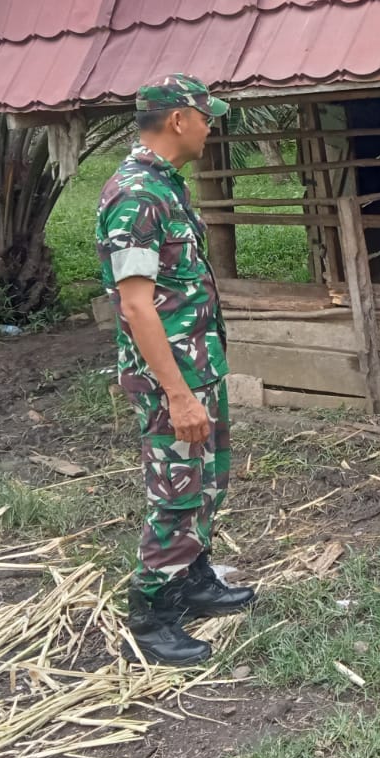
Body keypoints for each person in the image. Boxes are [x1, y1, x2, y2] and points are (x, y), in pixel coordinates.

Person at [96, 74, 254, 665]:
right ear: (179, 119)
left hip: (196, 367)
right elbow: (137, 306)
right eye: (206, 118)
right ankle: (152, 615)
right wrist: (178, 394)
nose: (211, 129)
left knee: (207, 481)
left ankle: (193, 578)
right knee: (176, 492)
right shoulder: (136, 196)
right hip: (174, 380)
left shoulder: (165, 185)